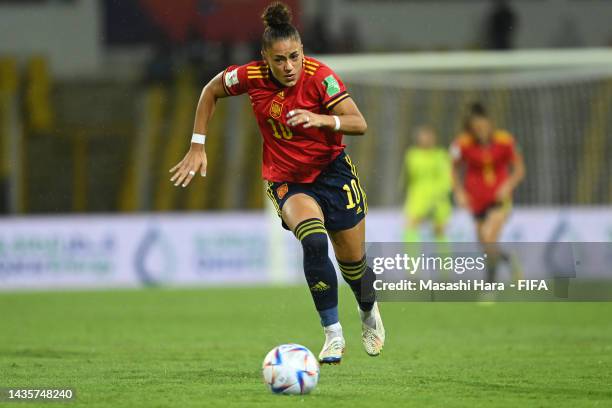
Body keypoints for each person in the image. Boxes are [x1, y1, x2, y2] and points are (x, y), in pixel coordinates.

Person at [168, 1, 384, 364]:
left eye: (294, 57)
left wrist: (321, 120)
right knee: (314, 241)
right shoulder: (249, 77)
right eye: (280, 59)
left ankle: (368, 312)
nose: (288, 66)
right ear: (265, 58)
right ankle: (332, 334)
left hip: (333, 172)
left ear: (303, 53)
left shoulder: (321, 77)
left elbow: (358, 122)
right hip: (288, 180)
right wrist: (197, 145)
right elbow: (210, 90)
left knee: (354, 265)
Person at [451, 102, 525, 283]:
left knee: (489, 238)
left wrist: (507, 186)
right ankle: (508, 260)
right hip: (476, 201)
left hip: (499, 200)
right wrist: (459, 191)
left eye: (483, 126)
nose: (480, 130)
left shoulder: (505, 140)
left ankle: (489, 286)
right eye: (476, 128)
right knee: (484, 244)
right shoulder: (462, 143)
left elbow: (519, 169)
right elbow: (452, 169)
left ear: (490, 124)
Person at [402, 126, 452, 243]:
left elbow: (447, 177)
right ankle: (411, 260)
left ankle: (444, 260)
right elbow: (408, 176)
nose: (426, 139)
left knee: (440, 230)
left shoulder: (441, 155)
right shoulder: (412, 155)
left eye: (429, 137)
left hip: (439, 197)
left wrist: (441, 192)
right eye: (423, 136)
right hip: (418, 196)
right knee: (410, 226)